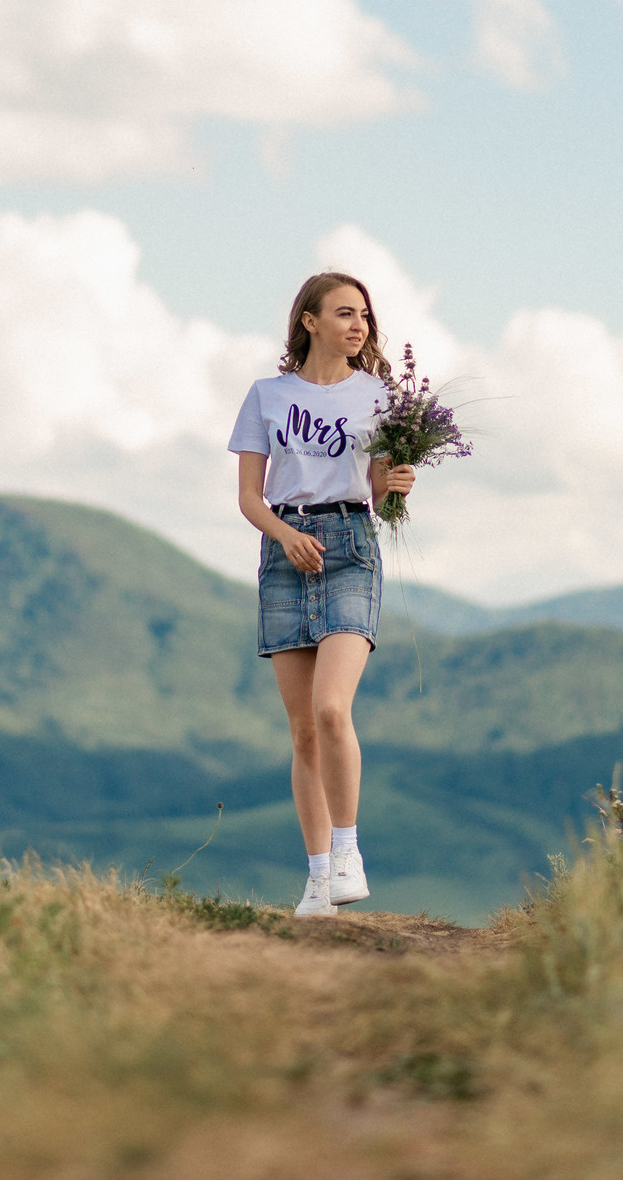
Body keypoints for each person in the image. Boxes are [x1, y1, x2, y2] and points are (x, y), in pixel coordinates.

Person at [228, 271, 417, 918]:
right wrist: (284, 536)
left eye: (364, 314)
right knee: (304, 730)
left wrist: (395, 481)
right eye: (344, 312)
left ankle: (347, 850)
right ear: (309, 320)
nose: (359, 324)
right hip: (285, 553)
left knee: (333, 708)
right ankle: (316, 880)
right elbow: (250, 496)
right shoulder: (266, 395)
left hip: (349, 547)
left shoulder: (378, 395)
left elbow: (377, 492)